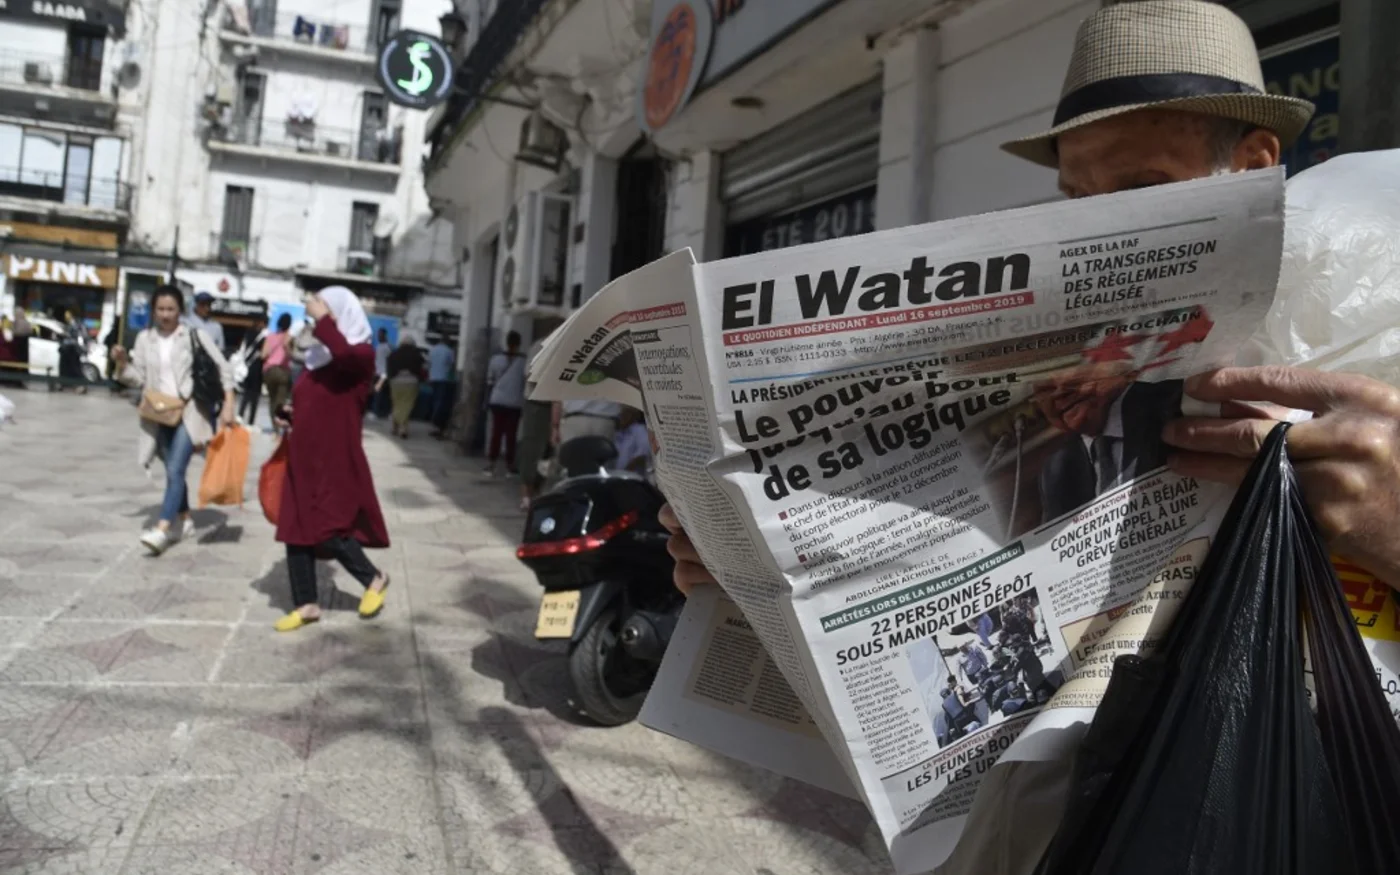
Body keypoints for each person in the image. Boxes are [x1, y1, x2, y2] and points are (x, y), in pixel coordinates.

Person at [660, 0, 1400, 599]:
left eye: (1141, 192)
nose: (1099, 225)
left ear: (1251, 164)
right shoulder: (1059, 411)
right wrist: (757, 573)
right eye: (1076, 198)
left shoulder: (1363, 305)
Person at [271, 286, 390, 632]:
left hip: (335, 457)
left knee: (330, 526)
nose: (323, 324)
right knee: (296, 528)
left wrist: (323, 319)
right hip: (304, 454)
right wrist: (289, 413)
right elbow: (316, 401)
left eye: (329, 315)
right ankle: (306, 603)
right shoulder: (319, 359)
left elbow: (345, 353)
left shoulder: (360, 356)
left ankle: (374, 578)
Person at [111, 285, 237, 555]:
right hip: (160, 412)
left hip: (190, 411)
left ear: (181, 310)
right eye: (160, 309)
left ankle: (163, 529)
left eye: (171, 309)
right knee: (172, 469)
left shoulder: (193, 335)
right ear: (154, 311)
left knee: (175, 469)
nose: (165, 315)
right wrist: (122, 363)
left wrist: (229, 403)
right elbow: (137, 378)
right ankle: (186, 520)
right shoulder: (145, 339)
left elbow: (223, 367)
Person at [1032, 364, 1184, 521]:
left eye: (1067, 365)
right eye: (1043, 388)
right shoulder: (1055, 470)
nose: (1058, 392)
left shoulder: (1174, 405)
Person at [484, 331, 526, 475]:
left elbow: (490, 381)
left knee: (496, 433)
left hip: (497, 401)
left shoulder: (495, 359)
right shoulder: (523, 362)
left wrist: (488, 399)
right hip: (515, 403)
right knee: (511, 435)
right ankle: (510, 465)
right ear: (519, 344)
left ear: (506, 342)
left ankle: (491, 463)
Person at [385, 334, 426, 438]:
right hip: (411, 382)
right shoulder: (416, 354)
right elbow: (423, 368)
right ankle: (403, 429)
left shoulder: (393, 354)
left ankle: (395, 427)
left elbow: (389, 368)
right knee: (407, 405)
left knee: (396, 403)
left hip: (395, 382)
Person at [262, 313, 294, 427]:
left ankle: (275, 428)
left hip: (269, 371)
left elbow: (263, 354)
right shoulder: (290, 338)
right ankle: (280, 428)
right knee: (281, 401)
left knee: (272, 399)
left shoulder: (270, 336)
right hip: (283, 371)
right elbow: (292, 356)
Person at [238, 313, 268, 426]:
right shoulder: (264, 336)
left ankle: (240, 415)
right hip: (257, 367)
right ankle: (251, 421)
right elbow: (264, 353)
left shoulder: (248, 333)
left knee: (246, 393)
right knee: (255, 396)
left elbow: (243, 347)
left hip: (246, 366)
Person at [427, 333, 457, 439]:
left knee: (434, 401)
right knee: (440, 402)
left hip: (433, 378)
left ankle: (434, 425)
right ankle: (437, 424)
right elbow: (452, 365)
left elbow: (429, 364)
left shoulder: (433, 349)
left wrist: (429, 377)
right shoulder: (449, 351)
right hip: (443, 379)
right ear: (447, 341)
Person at [613, 406, 652, 474]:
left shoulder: (639, 429)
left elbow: (643, 453)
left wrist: (626, 471)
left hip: (632, 477)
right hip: (617, 476)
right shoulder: (620, 433)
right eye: (621, 415)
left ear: (634, 416)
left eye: (625, 415)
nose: (621, 418)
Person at [59, 310, 87, 392]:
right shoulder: (70, 324)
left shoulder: (75, 324)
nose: (66, 316)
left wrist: (65, 335)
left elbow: (78, 336)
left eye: (67, 315)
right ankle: (65, 383)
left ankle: (78, 384)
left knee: (74, 367)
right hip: (68, 348)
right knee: (67, 367)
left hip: (72, 349)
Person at [373, 327, 391, 419]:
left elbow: (389, 361)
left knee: (379, 393)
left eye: (380, 334)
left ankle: (378, 412)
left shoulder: (387, 347)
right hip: (378, 373)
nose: (378, 336)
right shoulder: (378, 346)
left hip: (383, 374)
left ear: (384, 335)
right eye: (378, 335)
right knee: (380, 393)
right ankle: (382, 413)